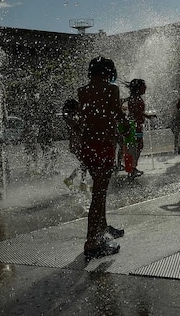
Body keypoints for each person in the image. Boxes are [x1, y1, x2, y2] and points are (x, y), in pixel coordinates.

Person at [76, 57, 126, 260]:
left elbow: (87, 117)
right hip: (104, 146)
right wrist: (125, 123)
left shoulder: (82, 91)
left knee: (98, 191)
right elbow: (116, 114)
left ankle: (101, 230)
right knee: (99, 195)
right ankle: (91, 242)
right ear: (109, 71)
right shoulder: (111, 90)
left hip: (88, 146)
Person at [124, 79, 157, 179]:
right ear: (138, 88)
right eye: (144, 86)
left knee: (134, 147)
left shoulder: (134, 97)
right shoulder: (135, 98)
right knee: (136, 146)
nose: (145, 88)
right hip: (134, 126)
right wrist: (148, 116)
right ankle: (132, 169)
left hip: (134, 125)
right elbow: (136, 112)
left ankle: (131, 168)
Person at [62, 98, 88, 192]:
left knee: (84, 163)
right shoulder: (70, 117)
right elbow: (78, 127)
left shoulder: (72, 116)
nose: (79, 108)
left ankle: (76, 181)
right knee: (84, 163)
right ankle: (80, 182)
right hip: (76, 144)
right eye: (77, 107)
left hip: (78, 143)